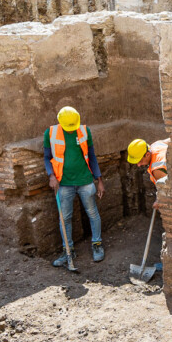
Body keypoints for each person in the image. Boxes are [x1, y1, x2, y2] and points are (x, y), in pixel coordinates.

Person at [45, 106, 106, 268]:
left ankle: (97, 245)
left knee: (93, 213)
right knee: (64, 218)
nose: (72, 130)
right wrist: (51, 175)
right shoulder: (50, 133)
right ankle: (68, 250)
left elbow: (91, 156)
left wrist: (99, 180)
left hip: (85, 181)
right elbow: (47, 157)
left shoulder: (85, 131)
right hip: (63, 184)